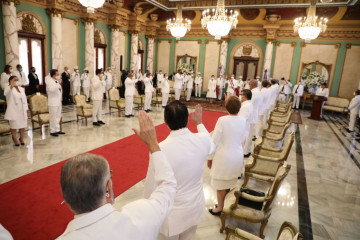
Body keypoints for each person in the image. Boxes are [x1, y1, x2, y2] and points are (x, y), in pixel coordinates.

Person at [57, 111, 177, 240]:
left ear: (66, 197)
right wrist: (152, 143)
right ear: (108, 186)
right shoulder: (139, 217)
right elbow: (168, 186)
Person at [144, 102, 214, 240]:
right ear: (188, 119)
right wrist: (199, 123)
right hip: (194, 206)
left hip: (172, 213)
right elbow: (212, 146)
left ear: (165, 122)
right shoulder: (202, 140)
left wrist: (147, 209)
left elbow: (151, 184)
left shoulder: (160, 149)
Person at [207, 96, 246, 215]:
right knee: (228, 182)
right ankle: (225, 204)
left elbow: (214, 141)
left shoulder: (222, 120)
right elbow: (243, 139)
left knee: (220, 185)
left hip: (224, 157)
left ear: (226, 107)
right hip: (237, 155)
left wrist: (209, 157)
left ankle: (220, 208)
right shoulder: (243, 120)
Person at [4, 76, 28, 146]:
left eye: (17, 80)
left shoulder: (21, 88)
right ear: (11, 81)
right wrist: (11, 86)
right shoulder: (8, 88)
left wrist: (26, 108)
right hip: (14, 110)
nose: (17, 81)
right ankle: (14, 139)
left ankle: (22, 138)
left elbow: (25, 99)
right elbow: (5, 93)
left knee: (22, 125)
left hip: (22, 109)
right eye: (15, 80)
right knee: (14, 125)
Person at [46, 69, 65, 137]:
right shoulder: (49, 81)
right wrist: (58, 84)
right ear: (53, 75)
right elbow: (51, 90)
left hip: (58, 101)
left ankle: (57, 129)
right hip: (53, 102)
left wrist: (58, 83)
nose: (58, 75)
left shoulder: (56, 81)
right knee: (53, 117)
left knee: (58, 116)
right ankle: (52, 130)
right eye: (57, 74)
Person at [238, 89, 253, 158]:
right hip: (244, 130)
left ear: (244, 96)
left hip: (241, 132)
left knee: (238, 151)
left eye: (241, 95)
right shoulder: (248, 104)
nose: (240, 96)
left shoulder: (245, 106)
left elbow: (241, 120)